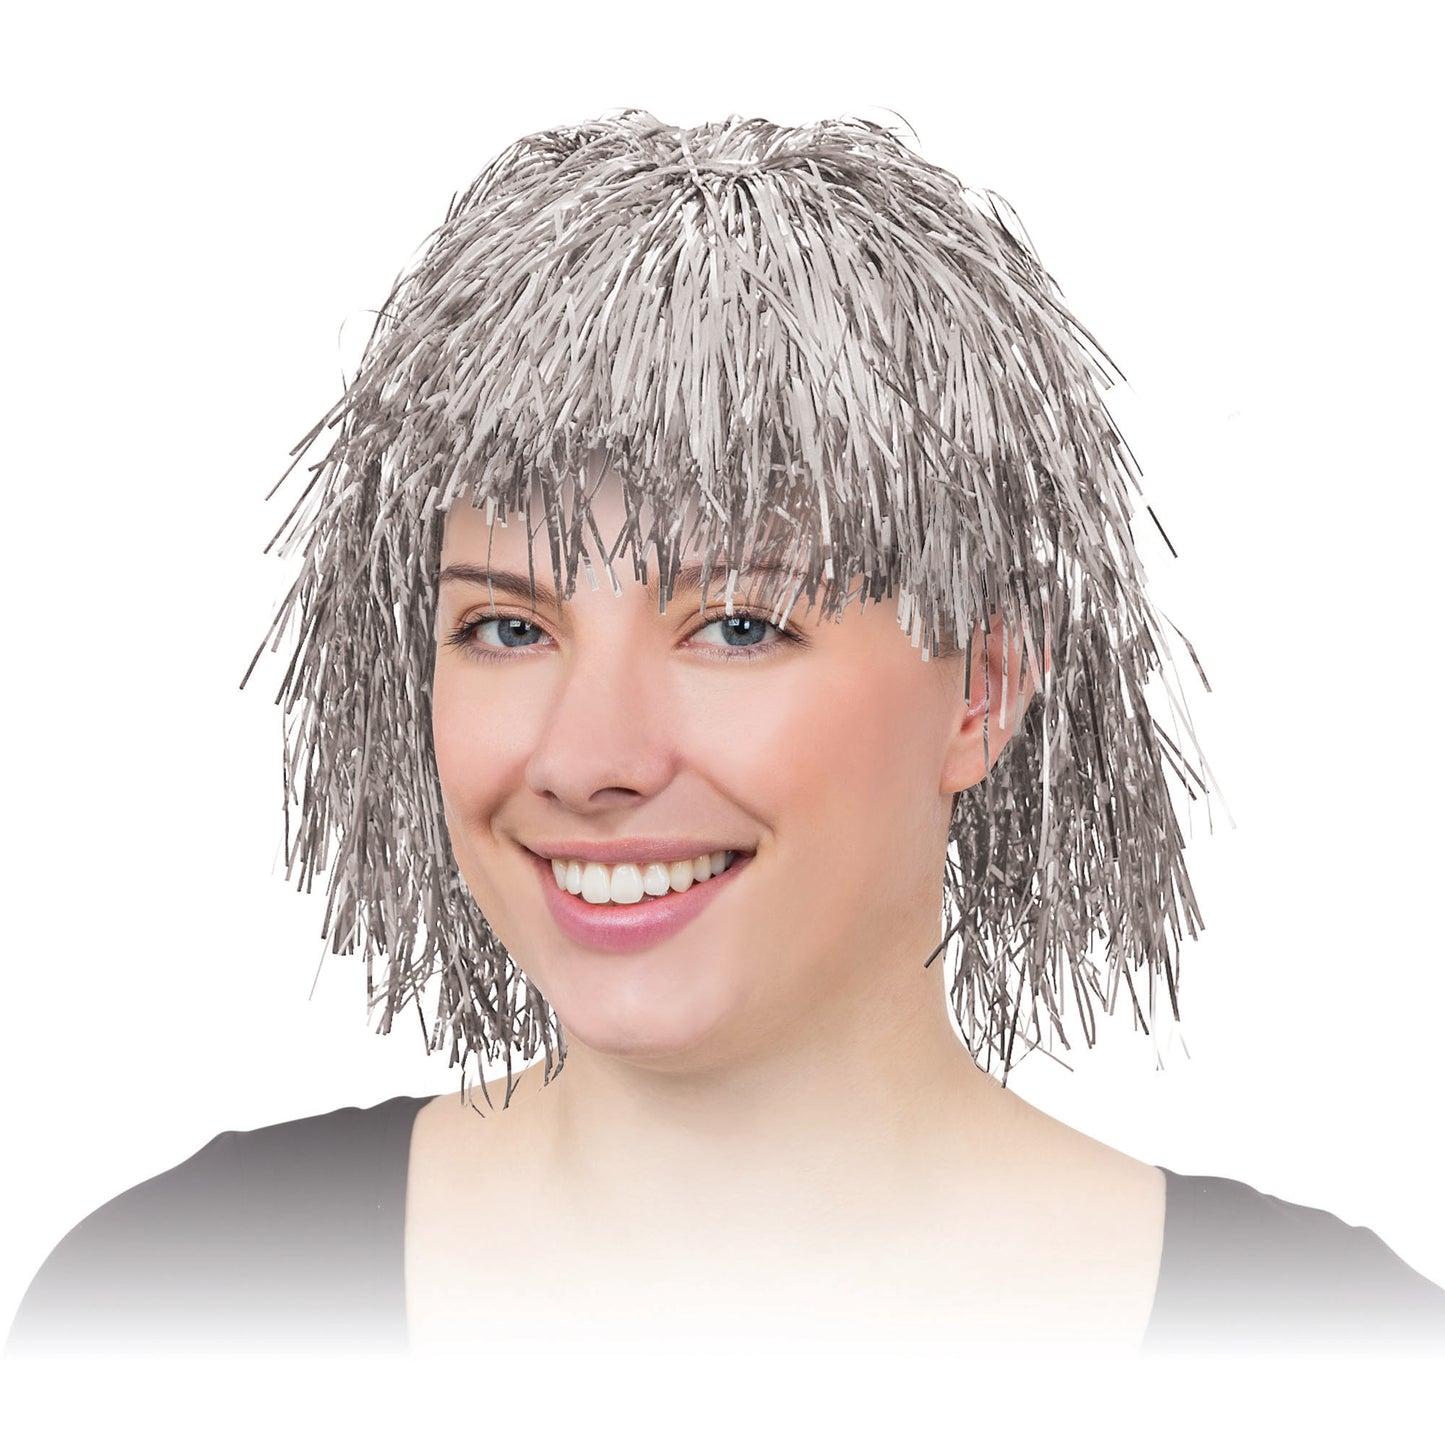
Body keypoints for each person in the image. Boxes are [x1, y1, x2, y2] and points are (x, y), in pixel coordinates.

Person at [6, 111, 1443, 1359]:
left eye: (739, 626)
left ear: (982, 692)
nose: (588, 759)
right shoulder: (172, 1299)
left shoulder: (1328, 1350)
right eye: (505, 627)